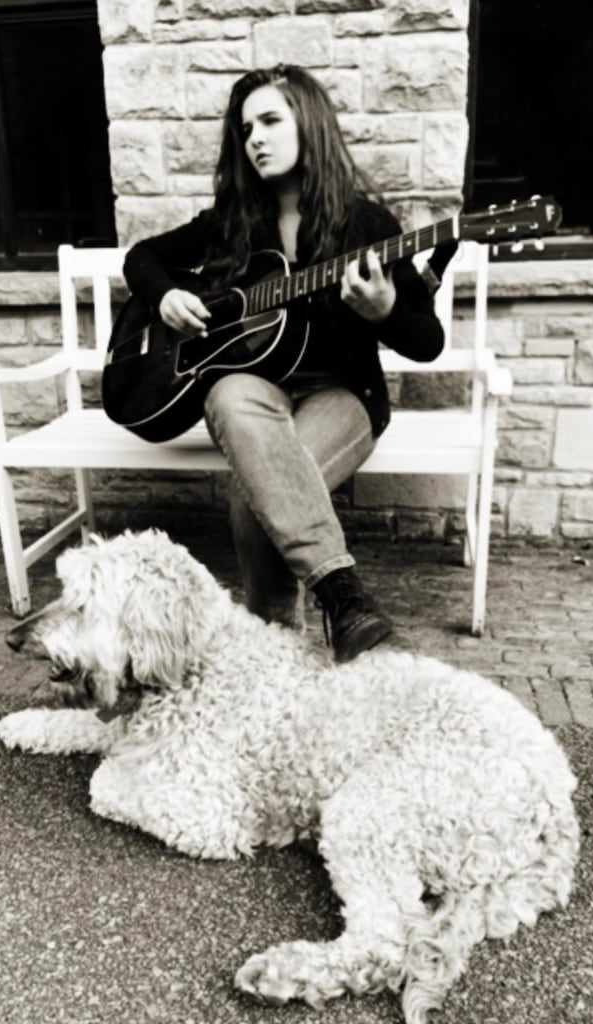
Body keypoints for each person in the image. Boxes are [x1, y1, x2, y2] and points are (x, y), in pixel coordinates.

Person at [122, 64, 446, 663]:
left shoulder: (367, 226)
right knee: (226, 396)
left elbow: (427, 340)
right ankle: (342, 597)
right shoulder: (232, 225)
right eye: (246, 130)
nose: (256, 139)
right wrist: (165, 295)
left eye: (271, 121)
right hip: (257, 399)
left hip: (343, 397)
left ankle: (274, 644)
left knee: (254, 490)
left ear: (309, 125)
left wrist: (384, 311)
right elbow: (143, 257)